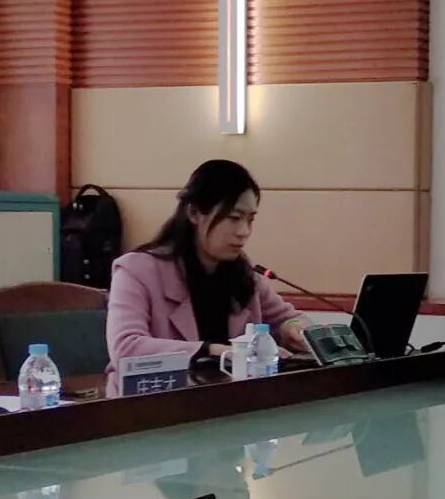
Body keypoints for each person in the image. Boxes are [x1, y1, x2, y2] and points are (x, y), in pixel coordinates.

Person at [105, 160, 309, 373]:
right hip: (157, 392)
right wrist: (213, 351)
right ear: (194, 213)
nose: (244, 231)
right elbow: (125, 347)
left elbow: (292, 319)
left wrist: (291, 329)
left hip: (231, 391)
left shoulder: (243, 273)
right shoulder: (136, 270)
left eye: (250, 220)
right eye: (234, 218)